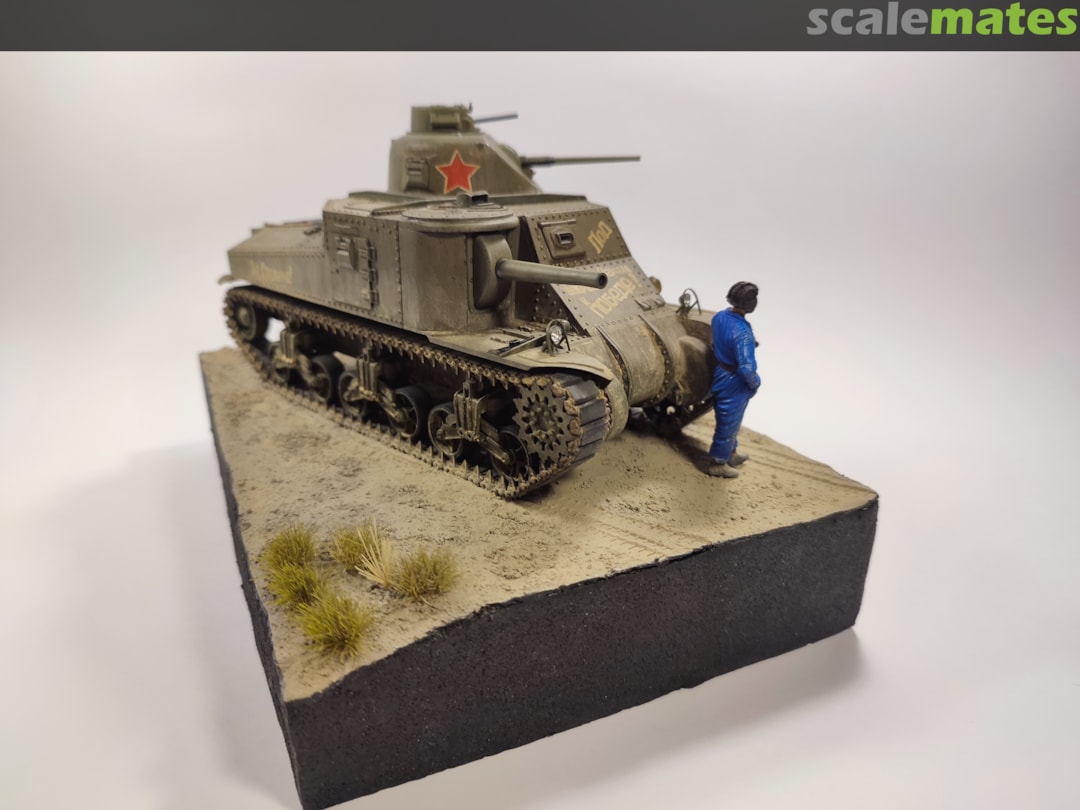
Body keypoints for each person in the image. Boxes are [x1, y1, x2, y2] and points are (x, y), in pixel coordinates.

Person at [708, 282, 760, 478]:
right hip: (734, 380)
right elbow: (746, 368)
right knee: (729, 422)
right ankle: (718, 463)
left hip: (721, 371)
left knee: (732, 420)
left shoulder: (719, 317)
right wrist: (755, 382)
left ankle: (731, 452)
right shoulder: (743, 333)